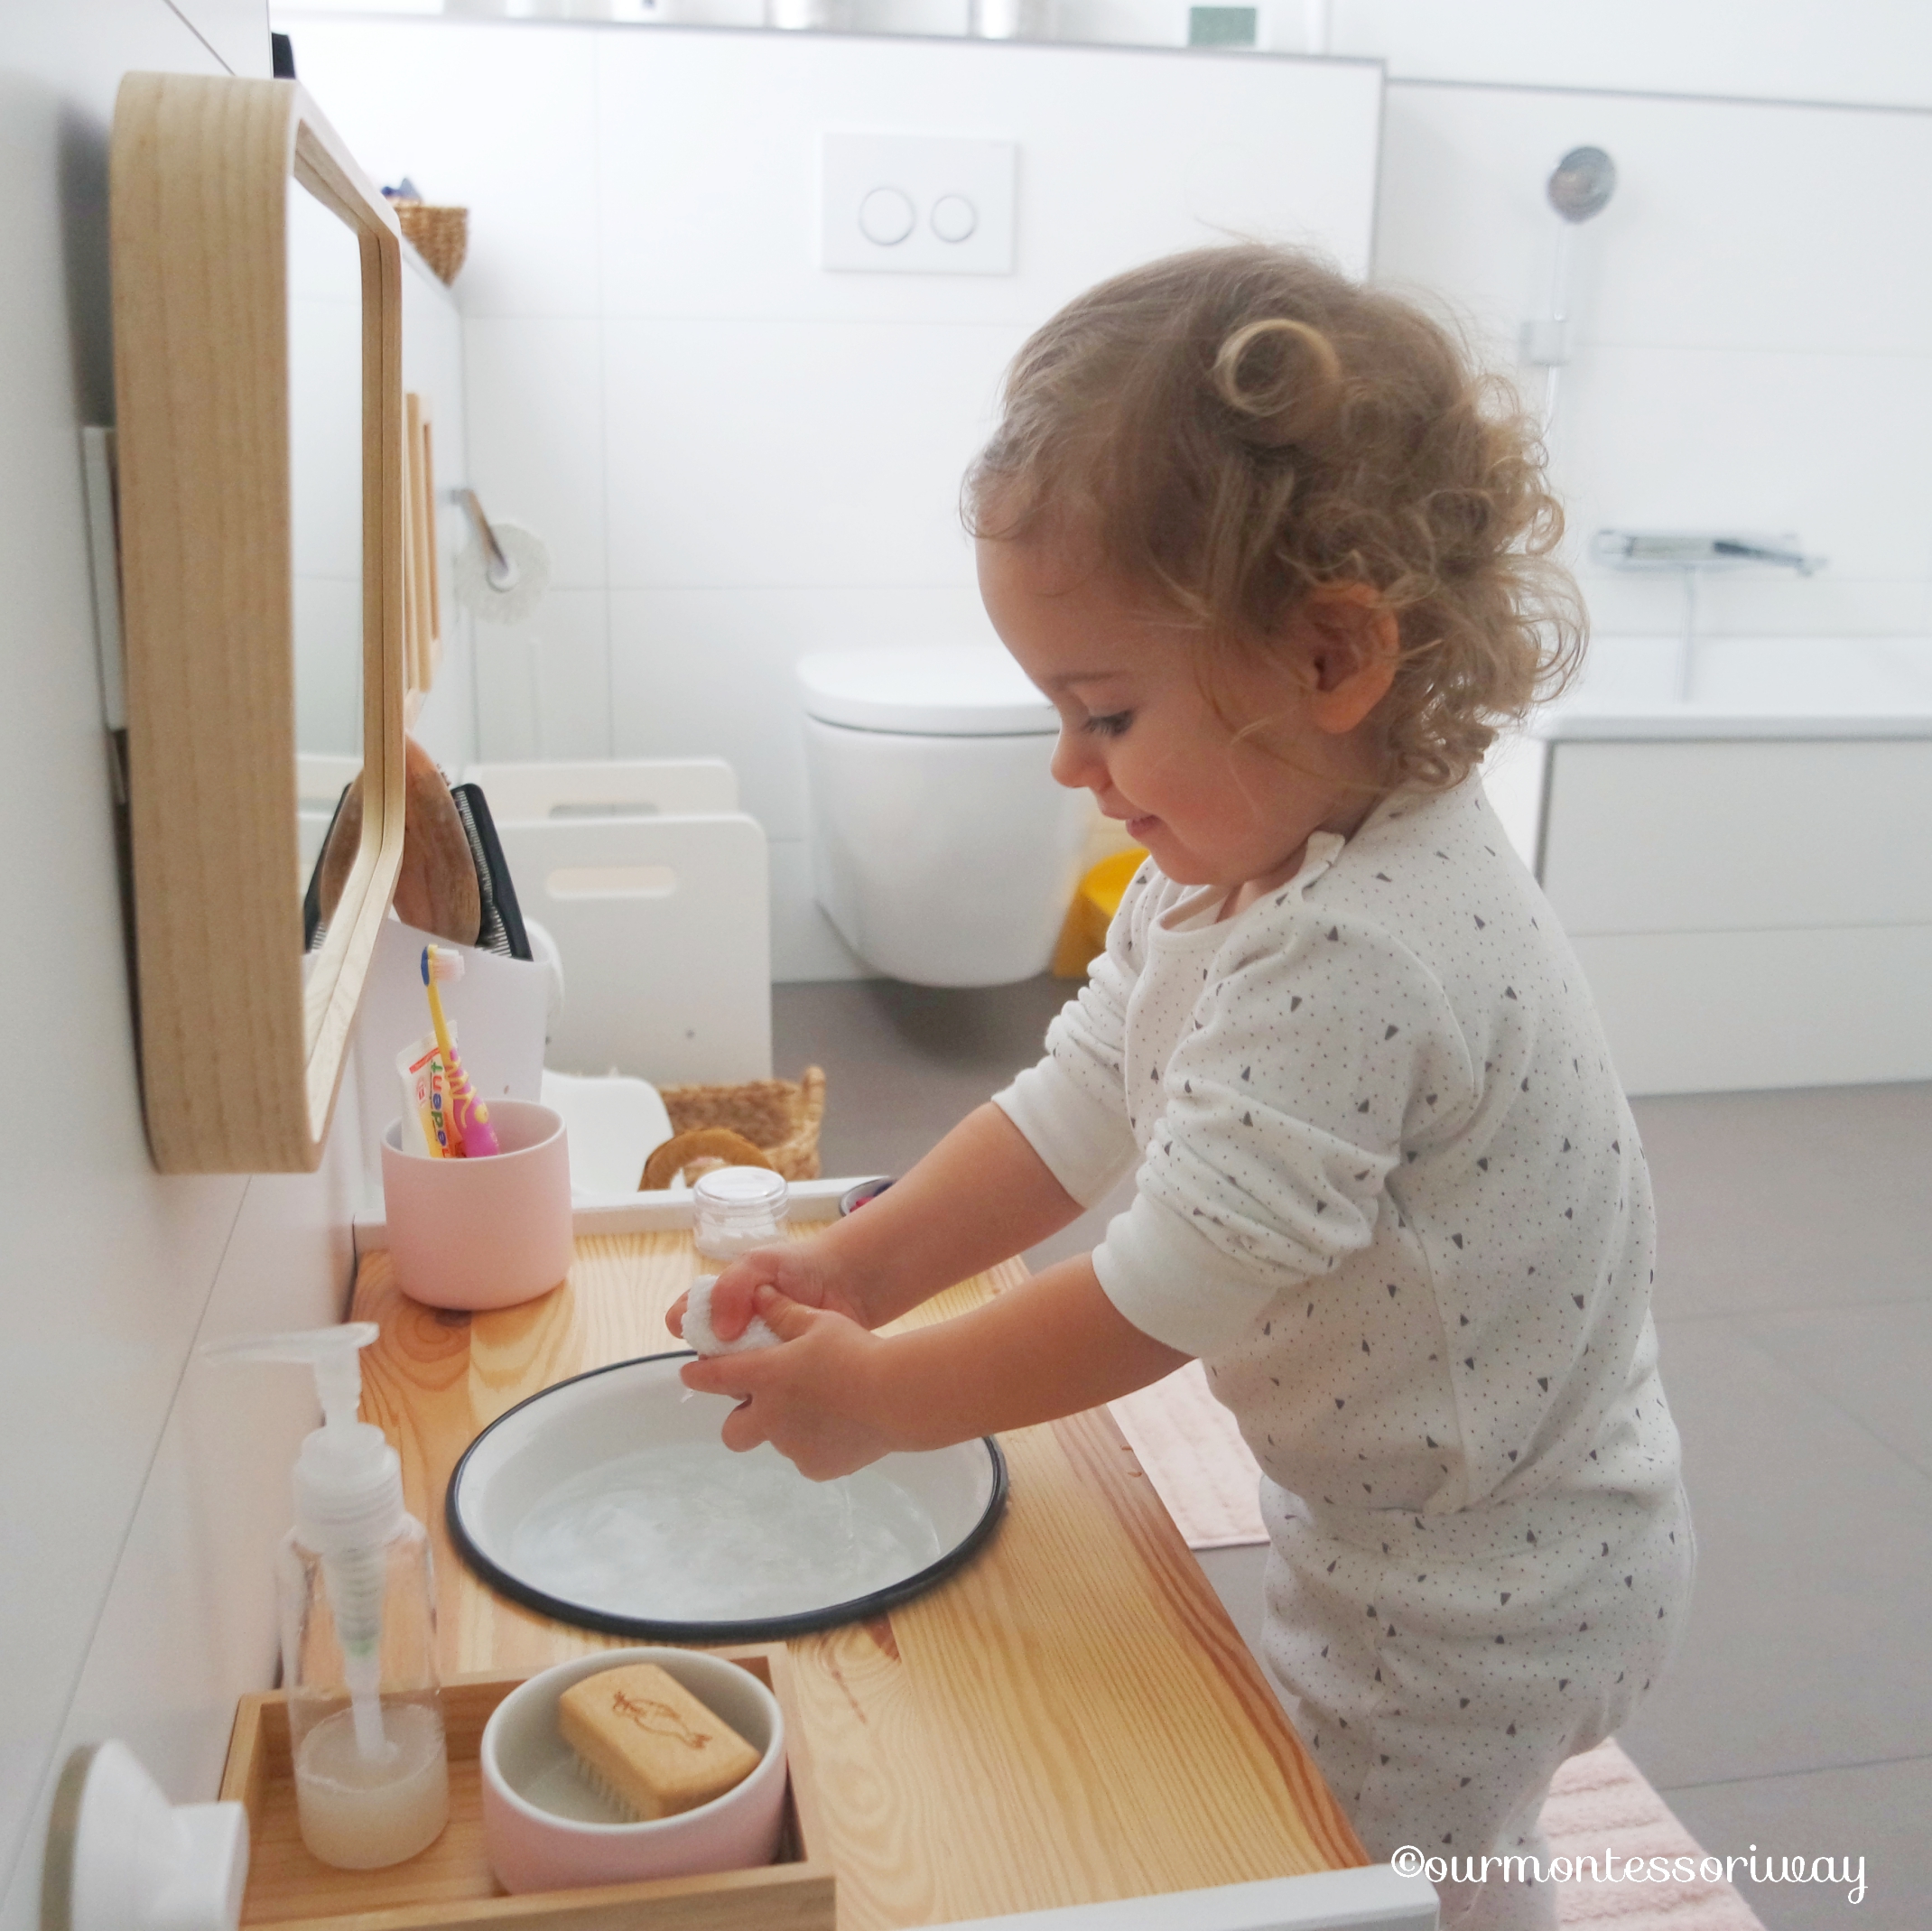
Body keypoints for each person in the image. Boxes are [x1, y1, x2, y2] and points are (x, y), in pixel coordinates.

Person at [673, 244, 1694, 1931]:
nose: (1071, 766)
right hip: (1402, 1520)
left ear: (1330, 658)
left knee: (1357, 1878)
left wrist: (886, 1396)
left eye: (1107, 710)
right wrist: (867, 1266)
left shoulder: (1368, 948)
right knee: (1445, 1857)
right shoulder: (1230, 856)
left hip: (1490, 1584)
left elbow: (1161, 1293)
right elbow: (1083, 1096)